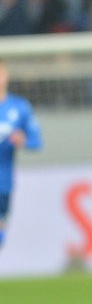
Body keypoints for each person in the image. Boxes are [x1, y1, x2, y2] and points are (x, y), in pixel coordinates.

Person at [0, 59, 42, 251]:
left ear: (6, 76)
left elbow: (37, 142)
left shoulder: (19, 107)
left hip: (4, 182)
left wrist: (22, 140)